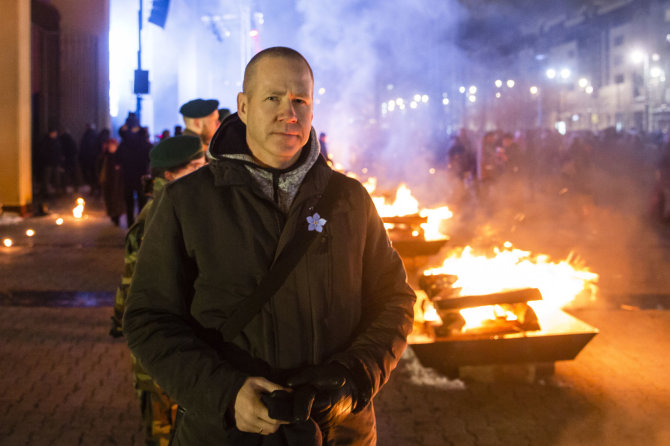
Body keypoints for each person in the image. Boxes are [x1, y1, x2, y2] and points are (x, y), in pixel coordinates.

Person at [123, 47, 416, 445]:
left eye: (300, 100)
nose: (289, 113)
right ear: (243, 106)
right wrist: (226, 394)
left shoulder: (349, 200)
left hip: (336, 432)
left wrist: (355, 378)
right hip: (223, 432)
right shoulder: (186, 202)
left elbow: (394, 300)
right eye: (273, 98)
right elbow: (147, 318)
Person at [110, 135, 206, 446]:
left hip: (182, 348)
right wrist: (119, 320)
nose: (205, 170)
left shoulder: (183, 208)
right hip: (162, 352)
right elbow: (134, 285)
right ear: (170, 174)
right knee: (164, 434)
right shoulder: (159, 216)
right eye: (196, 166)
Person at [99, 138, 125, 226]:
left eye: (113, 145)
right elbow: (99, 168)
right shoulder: (105, 157)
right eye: (110, 145)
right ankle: (112, 215)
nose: (111, 147)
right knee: (109, 200)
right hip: (107, 183)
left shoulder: (119, 157)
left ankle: (116, 216)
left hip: (118, 183)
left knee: (117, 200)